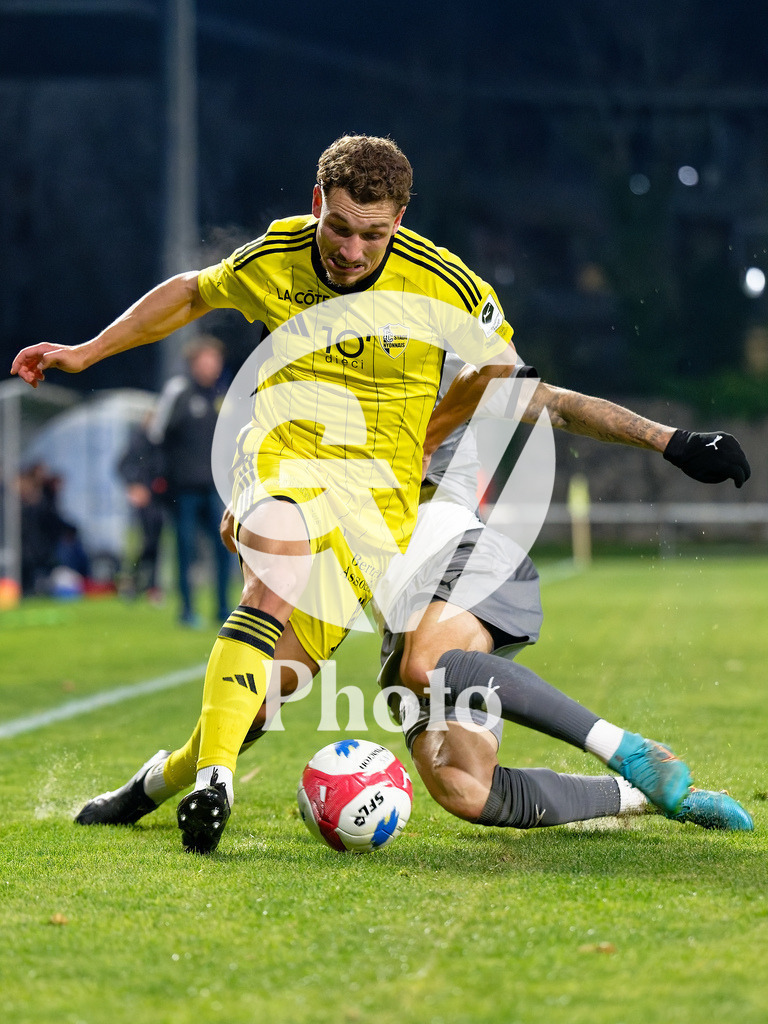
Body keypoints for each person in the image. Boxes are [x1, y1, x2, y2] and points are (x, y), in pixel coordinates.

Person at [11, 134, 750, 854]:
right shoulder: (275, 259)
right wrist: (87, 351)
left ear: (400, 221)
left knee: (444, 746)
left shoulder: (446, 294)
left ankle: (635, 771)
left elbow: (536, 394)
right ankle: (191, 781)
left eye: (374, 235)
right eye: (339, 228)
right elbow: (193, 290)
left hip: (420, 542)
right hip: (307, 493)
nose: (352, 251)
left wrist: (672, 441)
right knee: (294, 673)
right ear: (317, 205)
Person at [148, 335, 232, 626]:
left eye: (215, 360)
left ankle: (224, 609)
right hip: (182, 488)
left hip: (215, 488)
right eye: (206, 360)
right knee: (185, 549)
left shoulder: (224, 395)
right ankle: (186, 610)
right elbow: (156, 434)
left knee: (226, 547)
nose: (211, 365)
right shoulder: (179, 392)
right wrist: (159, 476)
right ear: (193, 363)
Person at [116, 411, 166, 602]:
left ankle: (150, 584)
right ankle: (132, 579)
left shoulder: (161, 442)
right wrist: (134, 486)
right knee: (146, 542)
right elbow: (122, 465)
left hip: (159, 498)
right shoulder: (139, 441)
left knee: (156, 543)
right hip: (145, 499)